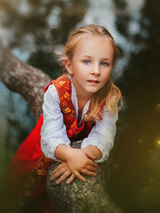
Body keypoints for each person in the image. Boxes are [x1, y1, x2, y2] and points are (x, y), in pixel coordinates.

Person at [2, 24, 122, 213]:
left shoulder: (110, 98)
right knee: (20, 192)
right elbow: (50, 135)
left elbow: (105, 134)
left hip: (80, 150)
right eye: (87, 61)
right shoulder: (56, 92)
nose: (96, 71)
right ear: (69, 65)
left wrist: (84, 155)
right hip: (43, 150)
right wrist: (68, 155)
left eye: (104, 63)